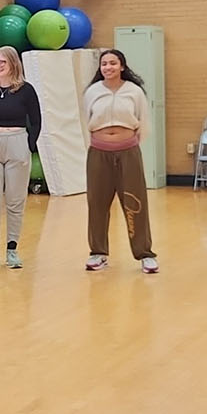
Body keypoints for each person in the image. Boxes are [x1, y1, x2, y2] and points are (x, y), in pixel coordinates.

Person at [83, 49, 158, 274]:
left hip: (128, 153)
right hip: (98, 153)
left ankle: (145, 254)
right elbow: (83, 119)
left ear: (122, 66)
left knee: (135, 202)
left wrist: (128, 144)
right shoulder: (93, 92)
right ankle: (98, 253)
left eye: (113, 63)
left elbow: (143, 122)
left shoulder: (134, 92)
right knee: (97, 204)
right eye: (104, 64)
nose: (108, 67)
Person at [0, 46, 41, 270]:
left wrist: (28, 145)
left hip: (17, 142)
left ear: (13, 64)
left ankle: (12, 249)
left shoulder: (26, 90)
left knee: (15, 201)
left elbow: (36, 120)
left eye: (2, 62)